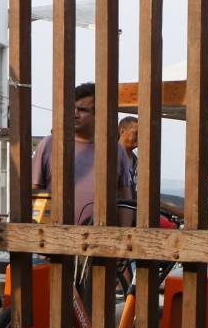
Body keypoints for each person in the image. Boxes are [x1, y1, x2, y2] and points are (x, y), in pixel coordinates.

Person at [32, 82, 133, 226]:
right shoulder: (49, 144)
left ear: (98, 114)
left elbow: (125, 197)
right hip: (54, 238)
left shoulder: (116, 150)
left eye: (82, 110)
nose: (74, 114)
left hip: (101, 239)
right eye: (72, 108)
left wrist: (124, 237)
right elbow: (34, 192)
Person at [119, 116, 139, 199]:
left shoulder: (136, 160)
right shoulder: (111, 156)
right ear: (122, 131)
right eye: (136, 133)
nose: (140, 137)